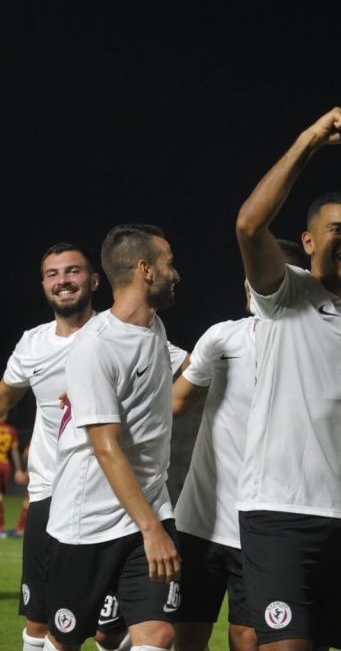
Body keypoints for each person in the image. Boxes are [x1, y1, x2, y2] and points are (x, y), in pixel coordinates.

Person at [234, 106, 341, 651]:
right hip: (278, 510)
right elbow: (249, 225)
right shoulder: (286, 293)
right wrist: (310, 139)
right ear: (308, 242)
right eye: (337, 231)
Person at [0, 242, 186, 651]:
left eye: (73, 271)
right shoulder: (34, 345)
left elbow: (185, 374)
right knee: (42, 621)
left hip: (122, 496)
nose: (63, 281)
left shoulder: (128, 331)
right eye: (52, 274)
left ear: (95, 280)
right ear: (43, 285)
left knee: (120, 630)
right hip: (54, 493)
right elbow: (3, 401)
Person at [170, 240, 308, 651]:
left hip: (264, 525)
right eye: (250, 278)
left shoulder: (316, 351)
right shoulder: (222, 338)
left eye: (263, 277)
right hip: (201, 519)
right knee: (183, 636)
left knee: (246, 638)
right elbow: (174, 403)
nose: (251, 286)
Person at [0, 417, 24, 536]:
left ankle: (1, 528)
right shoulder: (11, 430)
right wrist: (18, 469)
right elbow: (14, 450)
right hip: (5, 466)